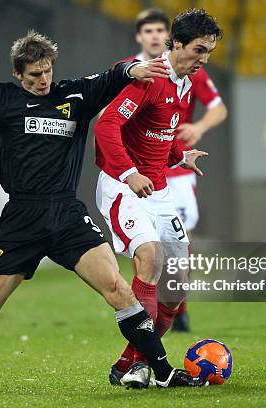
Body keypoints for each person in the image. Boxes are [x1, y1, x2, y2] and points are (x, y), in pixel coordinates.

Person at [0, 30, 208, 391]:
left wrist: (132, 71)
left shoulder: (73, 96)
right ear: (18, 75)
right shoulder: (2, 100)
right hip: (22, 218)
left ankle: (161, 371)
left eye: (47, 71)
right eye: (34, 75)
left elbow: (110, 77)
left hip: (67, 214)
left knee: (118, 288)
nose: (43, 80)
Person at [94, 9, 221, 386]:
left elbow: (156, 135)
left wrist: (179, 156)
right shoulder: (150, 76)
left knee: (177, 285)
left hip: (158, 188)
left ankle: (130, 364)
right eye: (199, 50)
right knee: (149, 257)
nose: (204, 59)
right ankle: (149, 368)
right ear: (177, 43)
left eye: (210, 52)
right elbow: (107, 124)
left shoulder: (183, 83)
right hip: (121, 185)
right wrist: (129, 173)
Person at [114, 7, 228, 333]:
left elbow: (218, 109)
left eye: (158, 30)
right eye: (148, 31)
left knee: (179, 250)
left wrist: (199, 129)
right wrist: (123, 169)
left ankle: (177, 311)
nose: (154, 36)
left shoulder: (192, 73)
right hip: (136, 174)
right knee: (149, 254)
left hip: (175, 169)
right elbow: (110, 121)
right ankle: (142, 344)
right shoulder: (134, 72)